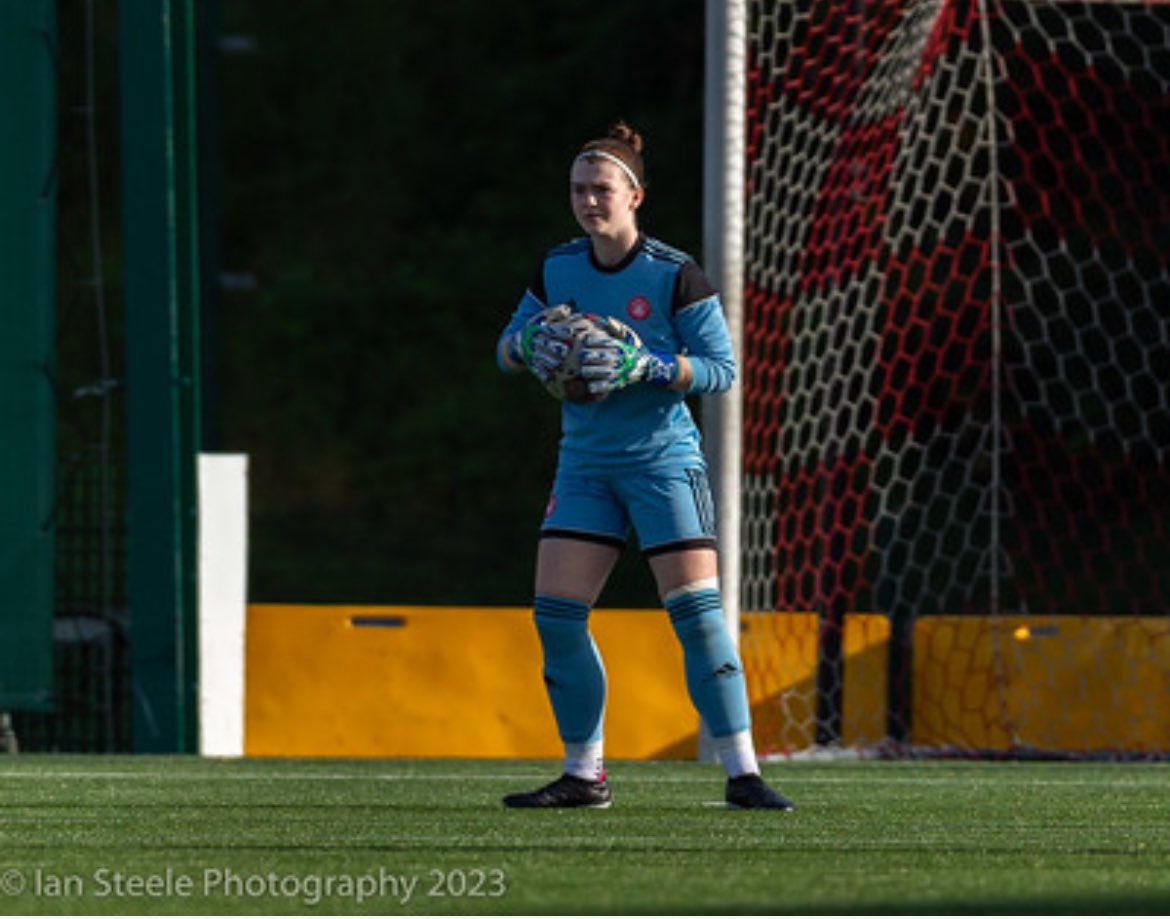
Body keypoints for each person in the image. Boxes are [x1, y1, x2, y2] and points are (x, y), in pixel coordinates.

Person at [495, 122, 793, 811]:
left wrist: (648, 365)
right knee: (557, 617)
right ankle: (584, 774)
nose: (588, 201)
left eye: (602, 189)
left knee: (697, 617)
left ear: (635, 194)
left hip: (663, 464)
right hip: (585, 466)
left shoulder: (673, 272)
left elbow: (721, 369)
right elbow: (506, 347)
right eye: (578, 189)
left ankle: (743, 772)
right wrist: (531, 341)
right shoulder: (557, 266)